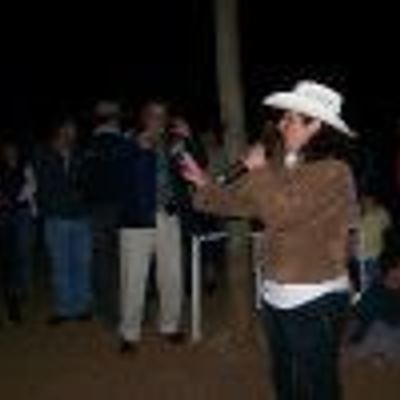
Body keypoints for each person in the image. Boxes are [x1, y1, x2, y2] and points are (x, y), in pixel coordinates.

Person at [180, 81, 359, 400]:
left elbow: (284, 213)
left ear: (315, 126)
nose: (280, 124)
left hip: (315, 300)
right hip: (276, 296)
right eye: (283, 117)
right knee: (285, 381)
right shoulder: (282, 167)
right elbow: (241, 203)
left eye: (290, 118)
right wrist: (205, 184)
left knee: (316, 386)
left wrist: (259, 171)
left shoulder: (334, 172)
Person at [118, 100, 185, 353]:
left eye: (163, 115)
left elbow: (196, 165)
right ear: (143, 118)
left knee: (172, 275)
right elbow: (120, 178)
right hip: (137, 220)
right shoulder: (127, 143)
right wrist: (141, 150)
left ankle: (170, 325)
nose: (159, 120)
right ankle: (129, 333)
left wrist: (189, 141)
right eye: (154, 115)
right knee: (133, 278)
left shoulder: (172, 144)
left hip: (168, 216)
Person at [33, 117, 92, 324]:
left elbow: (87, 181)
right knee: (60, 264)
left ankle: (82, 306)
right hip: (56, 217)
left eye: (74, 129)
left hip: (81, 217)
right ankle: (63, 308)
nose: (72, 133)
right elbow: (44, 182)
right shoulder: (43, 152)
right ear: (59, 130)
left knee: (82, 263)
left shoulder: (80, 153)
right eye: (69, 128)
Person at [81, 100, 131, 327]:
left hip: (94, 209)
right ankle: (128, 310)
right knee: (124, 261)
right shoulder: (123, 142)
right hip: (120, 209)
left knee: (101, 262)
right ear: (115, 118)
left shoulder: (88, 146)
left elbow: (81, 179)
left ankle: (107, 313)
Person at [358, 193, 391, 290]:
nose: (366, 202)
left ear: (373, 200)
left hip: (374, 253)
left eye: (368, 199)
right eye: (363, 200)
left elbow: (387, 227)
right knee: (366, 283)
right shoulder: (359, 214)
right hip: (360, 255)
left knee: (375, 281)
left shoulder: (381, 212)